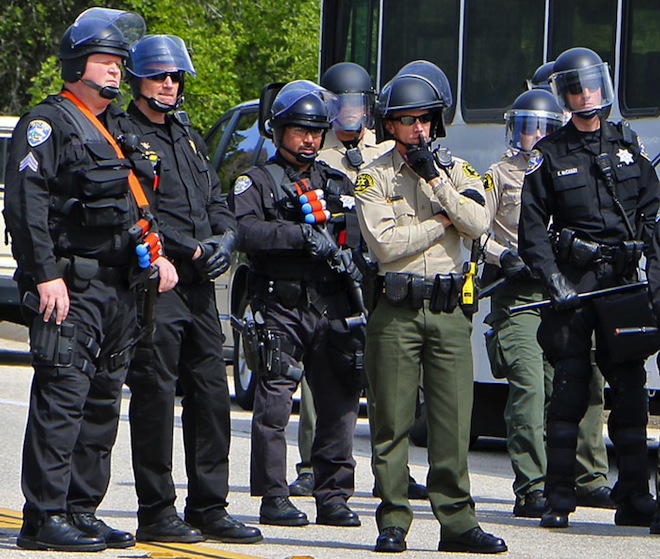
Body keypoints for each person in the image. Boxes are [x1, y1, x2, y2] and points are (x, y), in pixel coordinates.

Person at [4, 8, 178, 552]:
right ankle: (44, 516)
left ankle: (81, 510)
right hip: (72, 288)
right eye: (104, 61)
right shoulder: (48, 122)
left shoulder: (116, 130)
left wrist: (157, 257)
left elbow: (134, 204)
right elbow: (26, 204)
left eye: (118, 62)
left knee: (103, 404)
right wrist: (45, 275)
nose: (116, 71)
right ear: (77, 63)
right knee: (63, 398)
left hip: (120, 288)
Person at [354, 60, 507, 554]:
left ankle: (458, 523)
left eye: (424, 119)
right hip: (395, 311)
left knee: (451, 421)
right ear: (390, 124)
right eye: (407, 119)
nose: (417, 128)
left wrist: (437, 184)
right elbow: (384, 244)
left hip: (448, 312)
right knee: (392, 422)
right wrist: (441, 222)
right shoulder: (371, 176)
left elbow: (479, 222)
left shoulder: (457, 168)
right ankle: (393, 519)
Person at [123, 35, 262, 544]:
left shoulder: (187, 134)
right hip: (158, 280)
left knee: (211, 394)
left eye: (175, 76)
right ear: (138, 78)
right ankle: (156, 511)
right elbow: (139, 210)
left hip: (201, 285)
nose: (169, 84)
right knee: (156, 396)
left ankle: (209, 504)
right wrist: (191, 247)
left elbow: (216, 198)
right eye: (160, 75)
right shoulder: (124, 134)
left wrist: (226, 237)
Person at [518, 47, 660, 529]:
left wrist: (644, 252)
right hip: (573, 284)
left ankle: (635, 496)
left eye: (591, 85)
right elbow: (532, 231)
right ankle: (559, 498)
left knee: (630, 392)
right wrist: (553, 280)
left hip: (620, 283)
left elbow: (651, 207)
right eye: (575, 88)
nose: (585, 94)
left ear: (604, 85)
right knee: (570, 392)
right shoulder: (549, 155)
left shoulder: (628, 144)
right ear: (564, 95)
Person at [229, 80, 363, 528]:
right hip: (280, 308)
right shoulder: (257, 181)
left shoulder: (336, 181)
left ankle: (334, 496)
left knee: (340, 404)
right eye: (299, 130)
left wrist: (348, 250)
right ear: (278, 131)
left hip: (330, 306)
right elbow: (244, 232)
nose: (308, 139)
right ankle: (273, 496)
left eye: (315, 131)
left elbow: (359, 232)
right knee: (273, 406)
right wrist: (298, 236)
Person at [481, 88, 613, 518]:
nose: (533, 134)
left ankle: (588, 478)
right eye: (525, 126)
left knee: (586, 383)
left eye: (542, 126)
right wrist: (503, 256)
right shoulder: (498, 175)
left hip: (566, 292)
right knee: (530, 386)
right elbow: (474, 231)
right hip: (518, 292)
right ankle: (532, 486)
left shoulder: (571, 165)